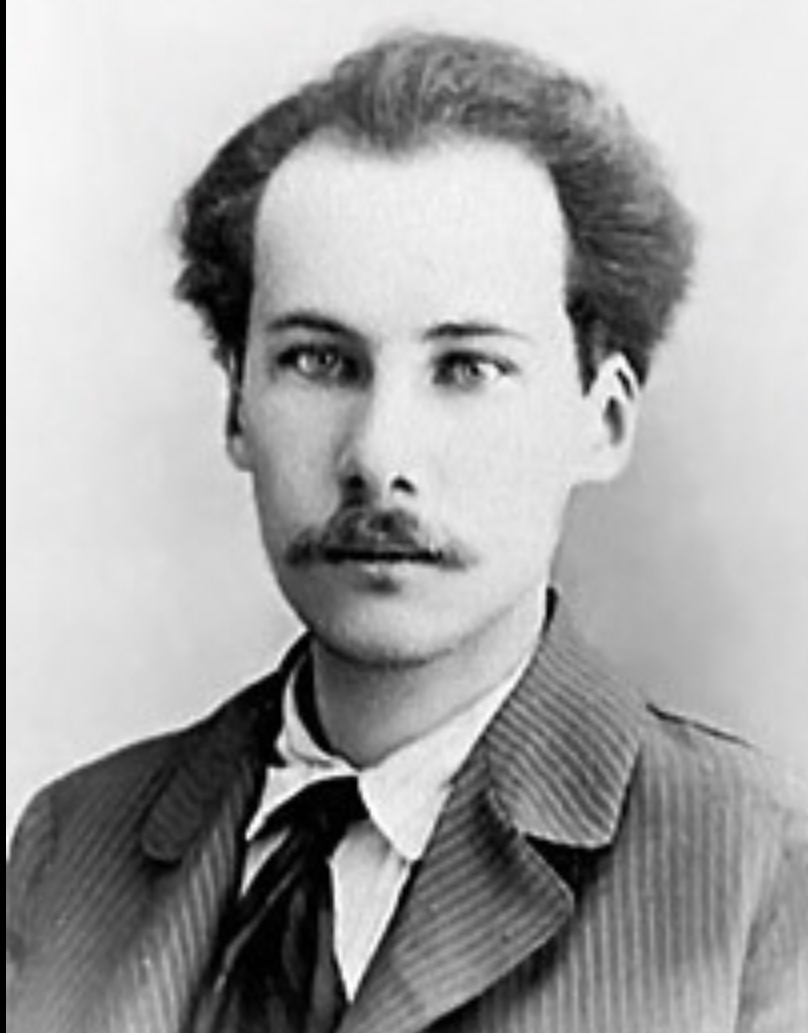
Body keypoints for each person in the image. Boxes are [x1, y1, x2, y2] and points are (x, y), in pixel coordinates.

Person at [6, 28, 807, 1033]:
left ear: (599, 420)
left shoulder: (756, 872)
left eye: (466, 368)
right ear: (236, 405)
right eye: (318, 360)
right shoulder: (70, 844)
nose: (378, 455)